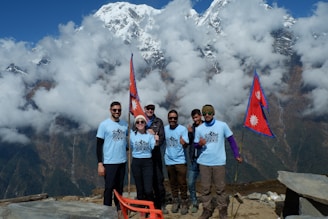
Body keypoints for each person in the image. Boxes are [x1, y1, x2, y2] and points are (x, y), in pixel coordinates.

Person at [194, 104, 242, 219]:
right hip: (204, 162)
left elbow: (231, 140)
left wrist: (236, 154)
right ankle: (207, 209)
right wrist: (199, 144)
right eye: (204, 113)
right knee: (205, 188)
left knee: (221, 188)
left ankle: (222, 210)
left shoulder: (222, 126)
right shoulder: (199, 129)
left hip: (219, 162)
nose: (207, 115)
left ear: (213, 113)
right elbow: (195, 145)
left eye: (209, 113)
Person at [96, 101, 128, 219]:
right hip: (109, 162)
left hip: (122, 161)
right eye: (114, 110)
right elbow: (99, 145)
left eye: (119, 110)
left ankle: (119, 209)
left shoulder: (125, 125)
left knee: (119, 188)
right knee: (109, 188)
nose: (117, 112)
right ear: (110, 110)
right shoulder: (104, 125)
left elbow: (124, 141)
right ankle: (107, 211)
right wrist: (100, 163)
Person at [143, 104, 168, 214]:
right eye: (148, 109)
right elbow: (135, 135)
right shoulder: (140, 121)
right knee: (147, 181)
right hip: (144, 156)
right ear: (145, 110)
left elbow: (162, 138)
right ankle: (149, 205)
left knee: (158, 181)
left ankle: (161, 204)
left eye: (152, 109)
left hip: (155, 155)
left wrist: (154, 138)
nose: (150, 110)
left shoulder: (159, 122)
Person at [164, 109, 189, 215]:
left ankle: (184, 202)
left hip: (180, 160)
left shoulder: (182, 129)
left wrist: (184, 143)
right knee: (172, 182)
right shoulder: (165, 129)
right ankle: (175, 201)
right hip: (169, 160)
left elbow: (186, 143)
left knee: (182, 183)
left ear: (177, 118)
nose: (172, 120)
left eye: (174, 118)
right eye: (170, 118)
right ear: (168, 119)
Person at [130, 115, 159, 202]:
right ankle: (142, 208)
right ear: (135, 124)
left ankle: (151, 207)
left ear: (145, 123)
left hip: (147, 163)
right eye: (137, 122)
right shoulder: (132, 135)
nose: (140, 123)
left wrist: (157, 140)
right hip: (136, 162)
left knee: (148, 189)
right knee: (139, 188)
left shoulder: (149, 135)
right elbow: (129, 145)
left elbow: (154, 146)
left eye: (142, 121)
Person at [187, 109, 203, 213]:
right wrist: (189, 134)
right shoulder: (192, 128)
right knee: (191, 182)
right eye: (194, 118)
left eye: (197, 117)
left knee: (207, 183)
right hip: (194, 159)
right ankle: (194, 202)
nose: (195, 119)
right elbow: (190, 142)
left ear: (200, 116)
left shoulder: (206, 127)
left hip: (205, 159)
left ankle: (207, 202)